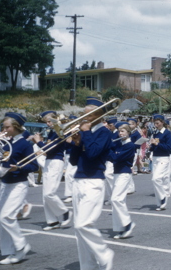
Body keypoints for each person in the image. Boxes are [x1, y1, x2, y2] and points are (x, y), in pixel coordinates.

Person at [69, 97, 114, 270]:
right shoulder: (84, 133)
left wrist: (86, 133)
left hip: (94, 180)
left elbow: (94, 153)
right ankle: (87, 266)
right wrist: (76, 143)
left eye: (87, 116)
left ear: (97, 116)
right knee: (78, 230)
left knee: (84, 224)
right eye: (83, 115)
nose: (83, 119)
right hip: (78, 180)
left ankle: (104, 253)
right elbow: (73, 161)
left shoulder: (104, 132)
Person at [0, 113, 38, 265]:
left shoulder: (24, 145)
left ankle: (21, 246)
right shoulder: (5, 142)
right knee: (3, 220)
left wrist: (19, 168)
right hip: (5, 183)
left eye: (7, 127)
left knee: (6, 217)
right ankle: (9, 251)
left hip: (18, 184)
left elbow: (34, 166)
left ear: (15, 127)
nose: (4, 129)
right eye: (3, 127)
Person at [33, 111, 72, 231]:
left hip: (56, 162)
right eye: (47, 122)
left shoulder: (59, 131)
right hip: (49, 162)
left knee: (49, 193)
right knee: (45, 195)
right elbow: (47, 150)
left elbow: (50, 149)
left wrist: (38, 141)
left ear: (56, 120)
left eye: (50, 121)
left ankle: (65, 212)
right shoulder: (52, 132)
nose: (48, 124)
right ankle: (52, 221)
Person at [111, 122, 136, 239]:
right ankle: (120, 227)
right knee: (117, 200)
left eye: (122, 131)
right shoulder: (119, 144)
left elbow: (116, 158)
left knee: (116, 199)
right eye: (119, 131)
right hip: (117, 173)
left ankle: (127, 223)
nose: (120, 133)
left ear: (128, 132)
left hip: (124, 173)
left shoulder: (130, 146)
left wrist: (108, 151)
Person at [150, 114, 171, 210]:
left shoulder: (167, 134)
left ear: (162, 123)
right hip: (156, 158)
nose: (155, 125)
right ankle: (159, 202)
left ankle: (163, 196)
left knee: (156, 178)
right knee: (156, 179)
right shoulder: (155, 133)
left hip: (164, 158)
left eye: (157, 123)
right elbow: (154, 147)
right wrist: (151, 146)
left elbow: (170, 147)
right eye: (154, 123)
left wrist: (158, 144)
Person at [63, 115, 77, 203]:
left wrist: (71, 141)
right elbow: (65, 146)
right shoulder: (68, 132)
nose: (71, 124)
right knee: (69, 175)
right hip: (68, 155)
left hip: (75, 154)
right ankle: (72, 194)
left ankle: (71, 194)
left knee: (69, 174)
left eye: (72, 122)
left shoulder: (78, 132)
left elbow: (79, 144)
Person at [104, 116, 118, 205]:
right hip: (108, 157)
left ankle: (114, 196)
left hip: (114, 157)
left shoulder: (118, 133)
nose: (109, 126)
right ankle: (111, 196)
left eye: (110, 125)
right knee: (107, 177)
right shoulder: (110, 133)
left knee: (108, 175)